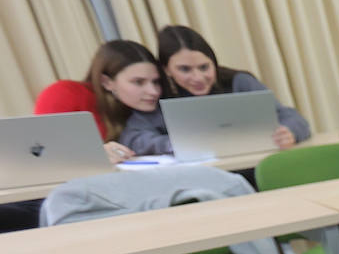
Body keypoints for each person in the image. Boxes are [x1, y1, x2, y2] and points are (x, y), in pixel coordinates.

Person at [2, 40, 162, 232]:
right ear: (107, 82)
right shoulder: (67, 93)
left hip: (102, 196)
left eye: (156, 82)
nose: (153, 91)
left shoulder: (139, 110)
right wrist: (91, 154)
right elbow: (38, 152)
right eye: (138, 82)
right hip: (49, 194)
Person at [119, 24, 310, 156]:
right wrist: (175, 144)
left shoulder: (239, 82)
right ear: (167, 70)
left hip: (257, 164)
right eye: (185, 69)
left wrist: (290, 131)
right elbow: (133, 137)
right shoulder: (159, 95)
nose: (198, 78)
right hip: (200, 175)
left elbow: (291, 117)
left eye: (204, 67)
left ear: (214, 63)